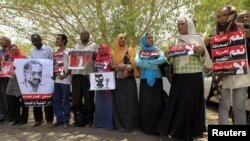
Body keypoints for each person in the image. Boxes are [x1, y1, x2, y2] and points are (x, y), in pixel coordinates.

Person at [157, 17, 210, 141]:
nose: (179, 27)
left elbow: (205, 61)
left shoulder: (198, 39)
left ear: (189, 25)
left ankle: (191, 133)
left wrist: (201, 52)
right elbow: (170, 61)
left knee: (191, 104)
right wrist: (168, 55)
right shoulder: (175, 41)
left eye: (182, 24)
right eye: (178, 25)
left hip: (194, 76)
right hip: (179, 77)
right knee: (177, 104)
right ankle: (177, 132)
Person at [215, 6, 250, 125]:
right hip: (223, 74)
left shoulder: (242, 29)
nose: (221, 18)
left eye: (224, 15)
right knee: (223, 107)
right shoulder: (217, 33)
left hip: (240, 72)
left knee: (239, 107)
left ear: (231, 15)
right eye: (219, 16)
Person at [135, 32, 166, 135]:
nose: (151, 39)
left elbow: (163, 59)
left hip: (157, 80)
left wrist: (147, 64)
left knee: (157, 104)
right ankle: (146, 128)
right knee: (146, 105)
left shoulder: (157, 50)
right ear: (144, 40)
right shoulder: (139, 52)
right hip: (144, 80)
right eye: (148, 38)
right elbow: (138, 62)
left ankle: (157, 128)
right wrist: (154, 65)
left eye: (152, 38)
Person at [111, 34, 139, 132]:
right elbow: (112, 65)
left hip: (129, 81)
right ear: (117, 40)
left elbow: (134, 62)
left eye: (124, 38)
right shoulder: (113, 52)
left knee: (130, 103)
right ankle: (120, 126)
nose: (123, 40)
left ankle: (130, 126)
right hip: (118, 81)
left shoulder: (130, 50)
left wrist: (127, 66)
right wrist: (118, 66)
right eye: (121, 38)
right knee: (119, 103)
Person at [71, 30, 98, 127]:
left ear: (89, 35)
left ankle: (90, 120)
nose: (83, 35)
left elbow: (97, 59)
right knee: (76, 100)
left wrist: (94, 55)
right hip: (76, 75)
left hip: (88, 75)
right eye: (81, 34)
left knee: (89, 100)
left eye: (85, 34)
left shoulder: (94, 45)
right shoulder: (76, 46)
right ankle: (79, 119)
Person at [30, 34, 54, 127]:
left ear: (41, 39)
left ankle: (49, 120)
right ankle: (38, 119)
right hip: (36, 78)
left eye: (37, 40)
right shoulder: (33, 52)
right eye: (33, 41)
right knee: (36, 98)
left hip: (47, 78)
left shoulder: (48, 49)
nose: (35, 43)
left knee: (47, 99)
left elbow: (52, 62)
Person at [5, 44, 29, 125]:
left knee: (24, 101)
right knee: (13, 101)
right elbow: (4, 68)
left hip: (22, 81)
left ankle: (24, 119)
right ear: (9, 51)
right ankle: (16, 119)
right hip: (12, 81)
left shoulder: (24, 57)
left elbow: (29, 66)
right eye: (13, 50)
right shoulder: (7, 58)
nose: (15, 51)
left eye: (16, 50)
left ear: (18, 50)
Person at [52, 34, 71, 128]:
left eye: (59, 39)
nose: (57, 40)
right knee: (56, 101)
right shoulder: (54, 51)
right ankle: (59, 119)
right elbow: (53, 64)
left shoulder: (68, 52)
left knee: (66, 101)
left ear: (64, 40)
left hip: (65, 80)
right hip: (56, 80)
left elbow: (71, 66)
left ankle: (66, 121)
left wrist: (66, 75)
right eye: (57, 38)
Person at [93, 43, 114, 130]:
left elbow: (113, 68)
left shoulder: (110, 58)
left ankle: (108, 124)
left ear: (106, 49)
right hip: (99, 83)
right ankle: (99, 124)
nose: (101, 50)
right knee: (99, 104)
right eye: (100, 48)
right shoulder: (96, 59)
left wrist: (112, 64)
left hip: (108, 83)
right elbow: (95, 70)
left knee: (108, 104)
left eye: (103, 48)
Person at [0, 36, 11, 122]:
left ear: (8, 42)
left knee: (7, 96)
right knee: (1, 96)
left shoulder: (11, 51)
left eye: (2, 40)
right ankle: (2, 114)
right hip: (0, 77)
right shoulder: (0, 52)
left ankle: (10, 114)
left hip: (8, 77)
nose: (0, 42)